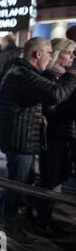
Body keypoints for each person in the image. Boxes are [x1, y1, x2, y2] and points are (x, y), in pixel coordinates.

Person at [0, 37, 76, 239]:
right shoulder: (22, 74)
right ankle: (9, 226)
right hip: (19, 140)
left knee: (21, 183)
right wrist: (72, 75)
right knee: (17, 186)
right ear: (38, 54)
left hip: (24, 139)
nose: (52, 57)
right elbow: (55, 94)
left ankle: (10, 218)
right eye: (49, 53)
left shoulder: (26, 72)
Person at [37, 38, 76, 237]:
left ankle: (35, 205)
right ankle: (43, 220)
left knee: (62, 174)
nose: (73, 56)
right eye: (69, 52)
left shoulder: (63, 77)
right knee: (50, 177)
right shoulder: (50, 76)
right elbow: (52, 107)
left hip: (64, 133)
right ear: (57, 54)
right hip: (52, 135)